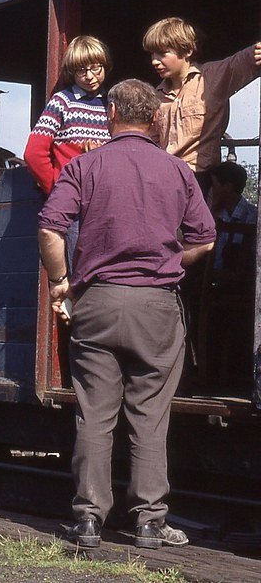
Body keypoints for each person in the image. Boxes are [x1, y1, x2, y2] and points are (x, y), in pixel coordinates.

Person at [38, 79, 216, 549]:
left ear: (111, 112)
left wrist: (61, 281)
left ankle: (89, 520)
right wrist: (174, 260)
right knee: (150, 416)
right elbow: (205, 238)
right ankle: (149, 522)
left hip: (96, 301)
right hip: (157, 306)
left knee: (95, 415)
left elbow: (51, 228)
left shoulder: (85, 166)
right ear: (156, 118)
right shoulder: (178, 171)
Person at [142, 17, 261, 196]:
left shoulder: (212, 77)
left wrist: (256, 52)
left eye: (162, 54)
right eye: (152, 54)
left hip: (199, 181)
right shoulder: (155, 97)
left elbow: (243, 61)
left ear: (187, 50)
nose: (154, 61)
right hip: (163, 182)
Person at [24, 35, 112, 196]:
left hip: (107, 199)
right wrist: (56, 190)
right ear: (71, 72)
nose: (89, 76)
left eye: (95, 68)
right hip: (73, 200)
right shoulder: (61, 102)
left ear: (105, 65)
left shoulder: (113, 104)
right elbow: (33, 152)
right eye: (81, 70)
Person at [209, 161, 257, 271]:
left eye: (214, 185)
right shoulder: (217, 214)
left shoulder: (253, 217)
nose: (212, 190)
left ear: (227, 187)